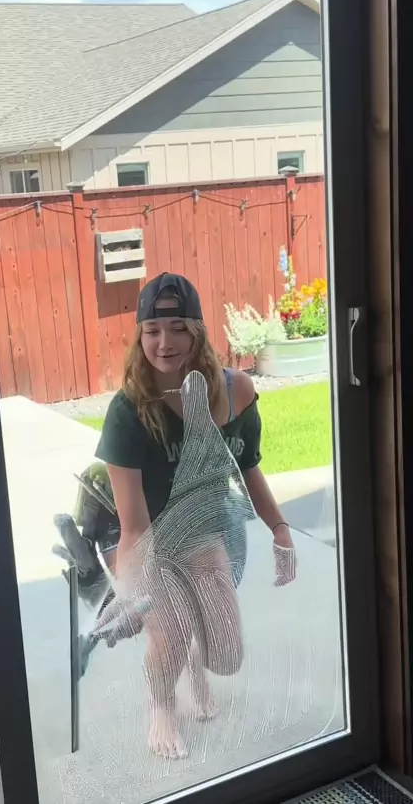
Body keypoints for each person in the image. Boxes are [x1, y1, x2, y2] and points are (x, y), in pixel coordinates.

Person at [94, 272, 296, 759]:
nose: (164, 343)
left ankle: (192, 663)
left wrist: (280, 529)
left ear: (198, 332)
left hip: (204, 539)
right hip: (153, 545)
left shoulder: (235, 391)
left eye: (178, 328)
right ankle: (161, 705)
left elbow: (248, 467)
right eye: (152, 330)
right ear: (140, 336)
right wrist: (132, 595)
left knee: (226, 656)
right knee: (170, 634)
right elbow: (134, 525)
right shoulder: (128, 412)